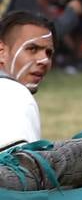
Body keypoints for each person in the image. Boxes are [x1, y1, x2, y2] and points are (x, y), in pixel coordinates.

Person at [0, 10, 54, 147]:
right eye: (32, 49)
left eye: (48, 53)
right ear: (2, 52)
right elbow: (20, 165)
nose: (44, 60)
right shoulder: (14, 94)